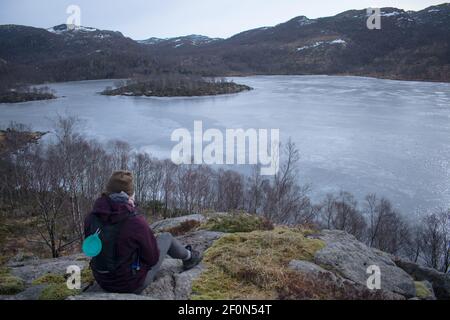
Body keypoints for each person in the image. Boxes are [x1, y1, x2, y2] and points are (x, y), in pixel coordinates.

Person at [84, 170, 202, 294]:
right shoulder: (135, 221)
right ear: (129, 196)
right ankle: (190, 257)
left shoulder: (91, 217)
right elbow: (152, 259)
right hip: (131, 284)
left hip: (102, 280)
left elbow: (93, 249)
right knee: (166, 237)